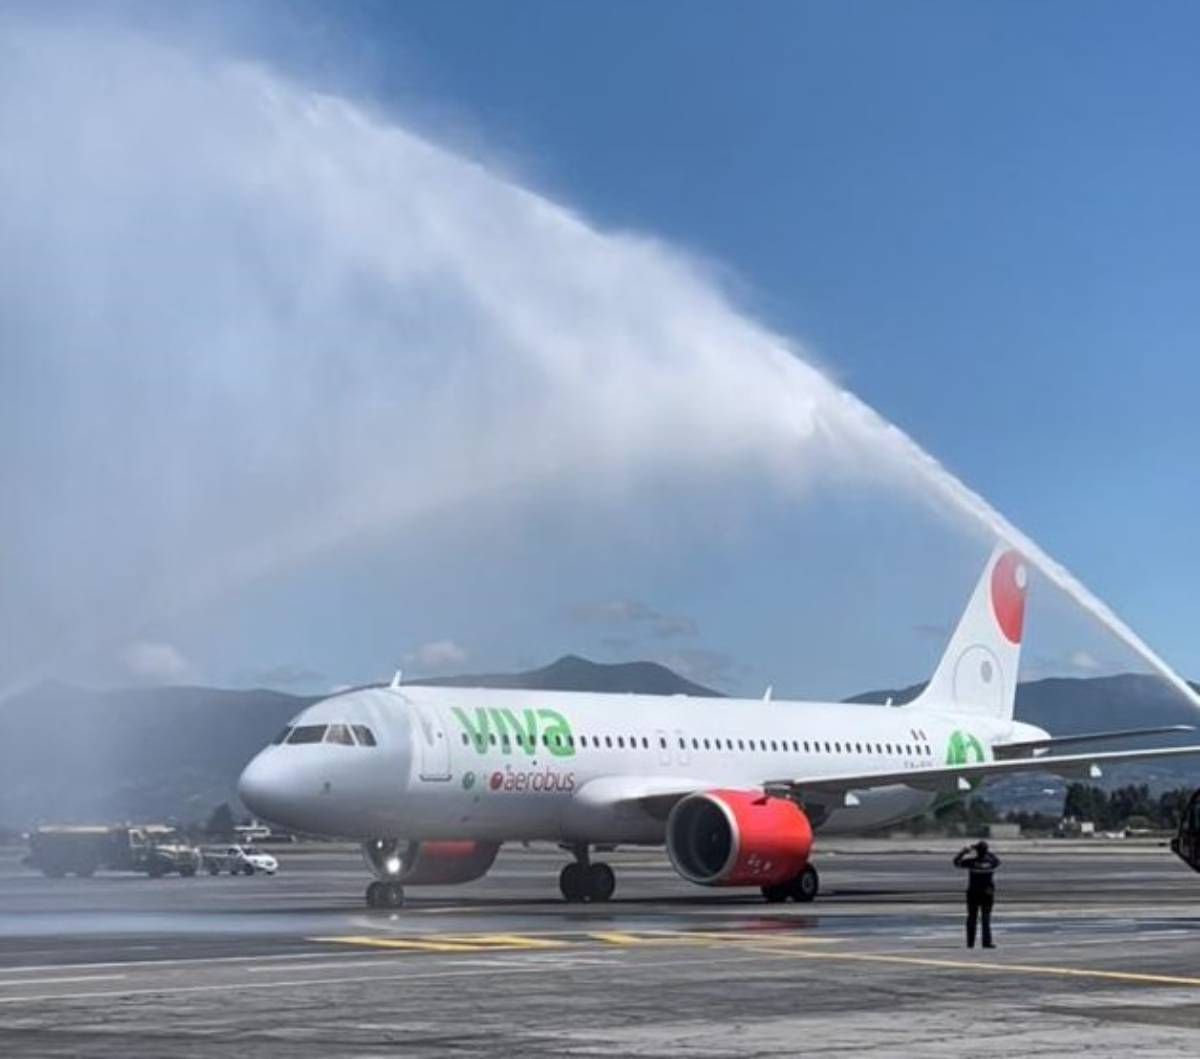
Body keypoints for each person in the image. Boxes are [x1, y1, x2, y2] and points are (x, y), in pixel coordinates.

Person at [953, 839, 1000, 949]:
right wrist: (985, 851)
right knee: (986, 918)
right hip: (987, 893)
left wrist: (964, 852)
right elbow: (997, 860)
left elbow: (956, 862)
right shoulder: (991, 862)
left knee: (972, 918)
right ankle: (986, 942)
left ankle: (970, 943)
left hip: (973, 892)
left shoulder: (972, 862)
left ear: (977, 851)